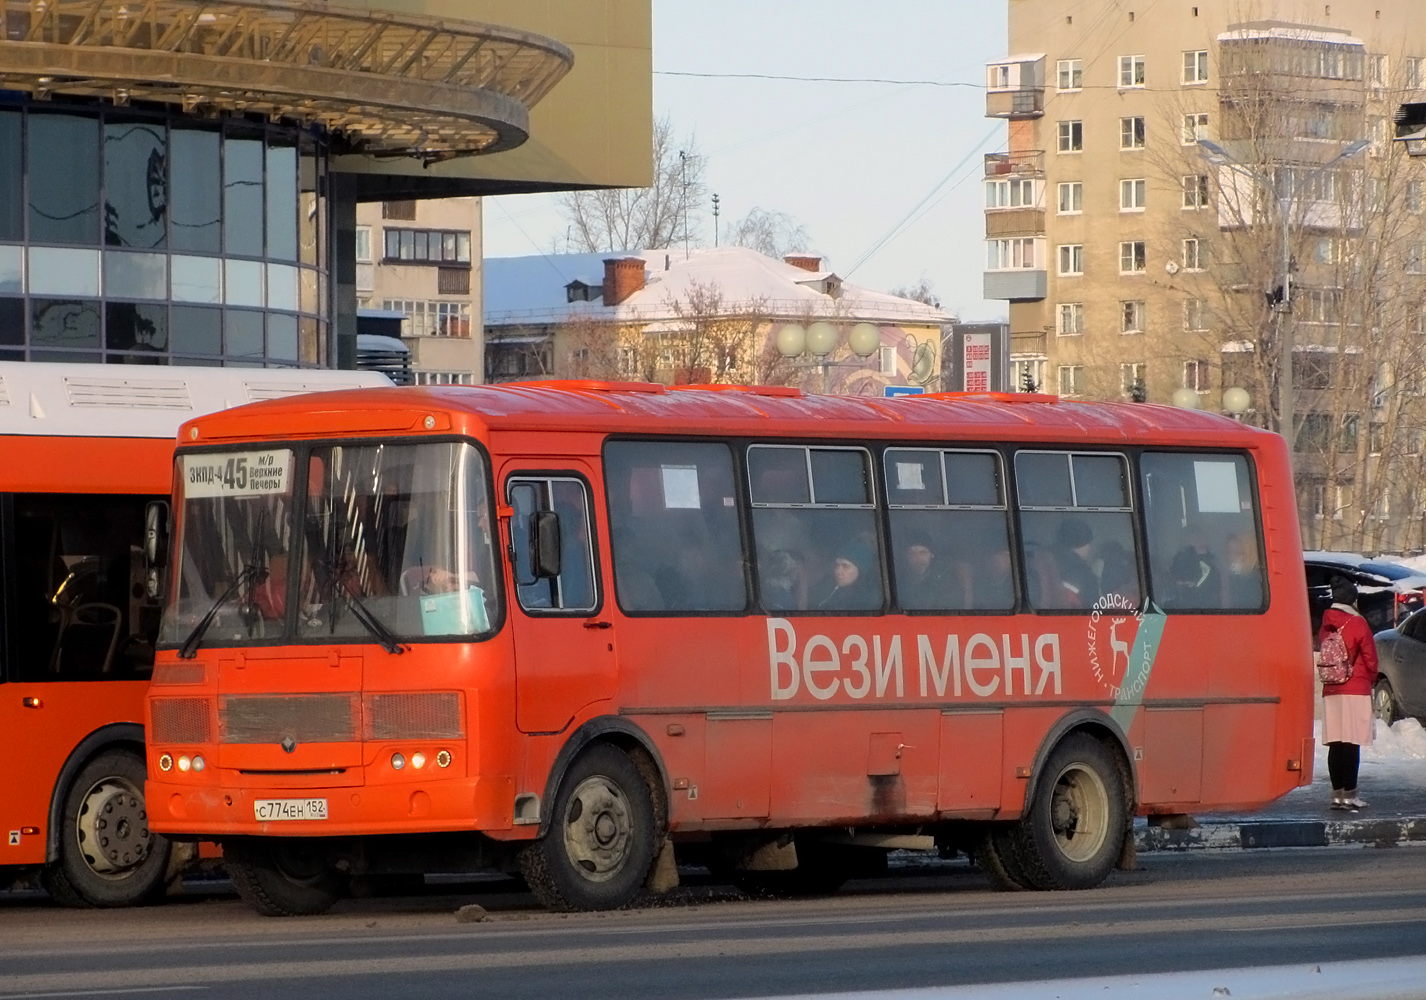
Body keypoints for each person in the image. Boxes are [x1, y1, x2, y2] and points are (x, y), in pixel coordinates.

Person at [1319, 577, 1379, 811]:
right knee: (1351, 743)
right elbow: (1370, 658)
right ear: (1353, 599)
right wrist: (1370, 679)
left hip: (1331, 688)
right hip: (1355, 688)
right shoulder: (1358, 623)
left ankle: (1336, 795)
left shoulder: (1325, 623)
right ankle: (1350, 796)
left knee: (1336, 743)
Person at [818, 541, 877, 610]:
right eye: (837, 565)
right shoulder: (827, 592)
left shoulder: (872, 600)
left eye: (845, 566)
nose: (838, 571)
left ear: (861, 570)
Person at [1052, 517, 1098, 607]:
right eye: (1088, 543)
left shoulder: (1050, 561)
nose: (1090, 548)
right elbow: (1093, 606)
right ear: (1079, 543)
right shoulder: (1082, 572)